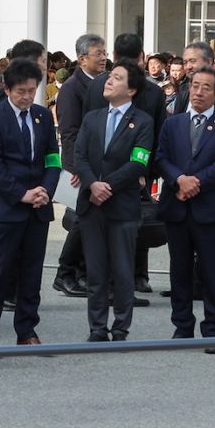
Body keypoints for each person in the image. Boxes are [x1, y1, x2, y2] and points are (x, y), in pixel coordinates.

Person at [0, 60, 60, 346]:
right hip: (6, 206)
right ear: (8, 89)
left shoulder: (42, 117)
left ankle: (27, 329)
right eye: (21, 91)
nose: (27, 97)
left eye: (32, 91)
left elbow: (53, 159)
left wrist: (45, 190)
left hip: (38, 207)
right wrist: (21, 193)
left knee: (32, 272)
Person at [71, 61, 153, 342]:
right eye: (109, 76)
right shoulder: (92, 117)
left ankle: (120, 327)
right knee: (95, 270)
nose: (109, 81)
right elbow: (79, 155)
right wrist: (92, 183)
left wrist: (108, 185)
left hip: (123, 206)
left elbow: (139, 162)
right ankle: (96, 327)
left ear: (130, 89)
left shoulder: (143, 121)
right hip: (92, 204)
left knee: (121, 269)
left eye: (117, 78)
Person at [159, 66, 215, 349]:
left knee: (212, 271)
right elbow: (162, 157)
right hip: (177, 208)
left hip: (210, 209)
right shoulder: (173, 123)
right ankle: (182, 327)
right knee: (179, 270)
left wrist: (196, 183)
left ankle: (212, 329)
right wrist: (179, 180)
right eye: (195, 86)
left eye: (206, 87)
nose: (199, 92)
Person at [50, 33, 108, 298]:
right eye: (98, 53)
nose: (104, 57)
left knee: (92, 221)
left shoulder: (102, 83)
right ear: (82, 58)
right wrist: (73, 168)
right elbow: (69, 131)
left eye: (104, 52)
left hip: (100, 165)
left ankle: (82, 273)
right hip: (81, 167)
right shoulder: (73, 88)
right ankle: (65, 273)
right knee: (81, 220)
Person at [111, 32, 168, 301]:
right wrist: (149, 171)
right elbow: (158, 133)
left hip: (111, 170)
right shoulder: (153, 91)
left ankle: (132, 277)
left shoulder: (104, 85)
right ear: (141, 57)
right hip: (138, 168)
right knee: (136, 222)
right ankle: (136, 276)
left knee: (129, 223)